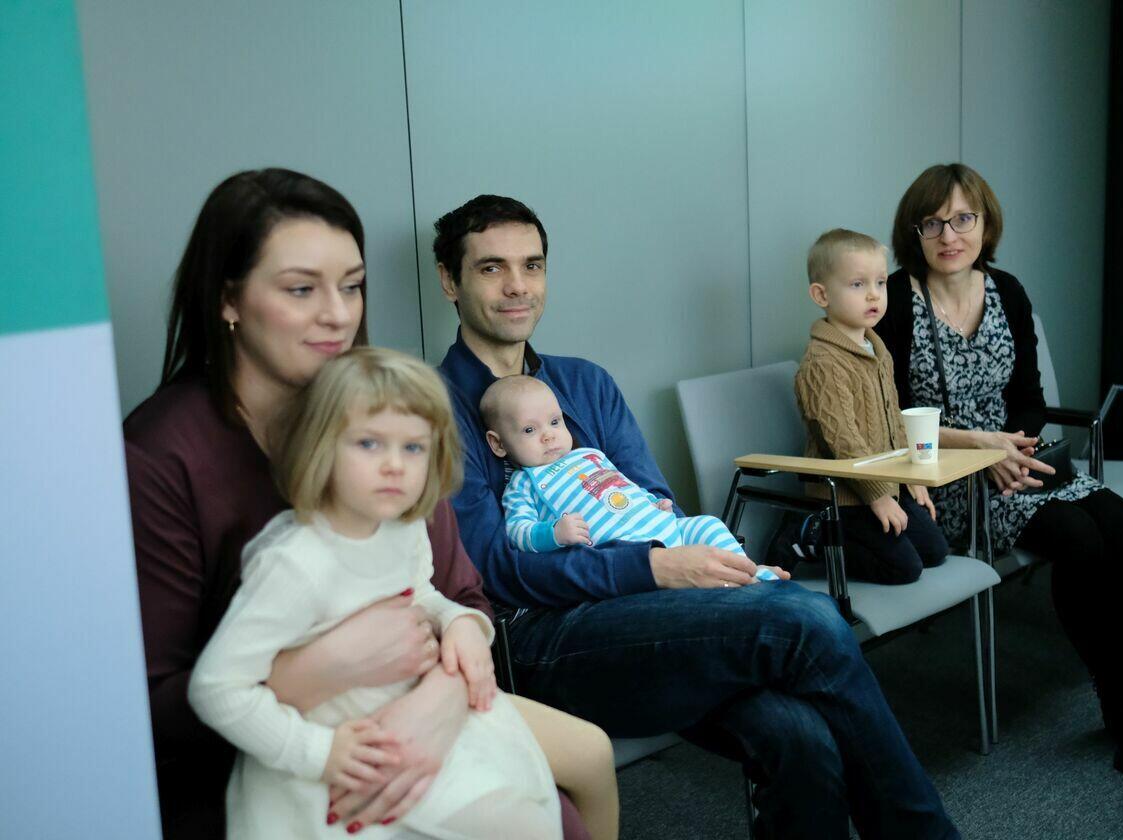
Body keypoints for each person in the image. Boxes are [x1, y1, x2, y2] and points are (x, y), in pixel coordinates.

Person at [435, 194, 960, 839]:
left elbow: (657, 505)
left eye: (532, 265)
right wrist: (652, 568)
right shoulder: (438, 410)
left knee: (800, 733)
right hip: (542, 639)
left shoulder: (586, 384)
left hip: (652, 607)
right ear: (450, 281)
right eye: (491, 268)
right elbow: (493, 572)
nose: (518, 285)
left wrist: (709, 571)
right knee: (807, 618)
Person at [124, 169, 595, 838]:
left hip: (411, 708)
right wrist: (312, 672)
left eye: (350, 286)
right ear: (228, 298)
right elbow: (145, 711)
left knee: (557, 820)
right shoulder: (160, 455)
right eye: (301, 289)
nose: (338, 314)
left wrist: (438, 704)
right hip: (253, 763)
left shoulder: (386, 416)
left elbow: (462, 596)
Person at [875, 162, 1123, 811]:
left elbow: (1031, 400)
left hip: (1017, 460)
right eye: (932, 223)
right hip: (947, 481)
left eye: (963, 218)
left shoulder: (1007, 291)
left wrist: (1011, 448)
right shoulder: (897, 301)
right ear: (914, 232)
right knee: (1079, 538)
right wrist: (982, 450)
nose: (949, 235)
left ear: (985, 223)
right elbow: (892, 417)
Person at [189, 348, 565, 839]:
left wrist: (458, 620)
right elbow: (216, 689)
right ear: (320, 447)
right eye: (369, 444)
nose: (394, 466)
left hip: (406, 712)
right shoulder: (295, 564)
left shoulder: (402, 528)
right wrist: (319, 754)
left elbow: (419, 594)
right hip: (332, 757)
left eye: (413, 448)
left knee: (529, 817)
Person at [794, 227, 949, 584]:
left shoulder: (877, 351)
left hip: (885, 485)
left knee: (935, 551)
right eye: (857, 284)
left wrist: (910, 480)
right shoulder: (822, 363)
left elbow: (894, 420)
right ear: (821, 295)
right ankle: (812, 535)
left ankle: (861, 527)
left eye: (880, 283)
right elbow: (842, 440)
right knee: (904, 569)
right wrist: (878, 496)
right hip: (845, 500)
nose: (873, 294)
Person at [482, 374, 747, 558]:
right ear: (498, 443)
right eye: (529, 429)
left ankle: (751, 573)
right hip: (631, 552)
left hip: (666, 526)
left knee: (710, 525)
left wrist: (653, 503)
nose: (548, 435)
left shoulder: (589, 455)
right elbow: (517, 531)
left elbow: (623, 484)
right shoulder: (522, 485)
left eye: (554, 422)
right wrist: (553, 534)